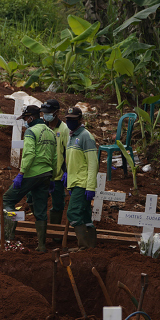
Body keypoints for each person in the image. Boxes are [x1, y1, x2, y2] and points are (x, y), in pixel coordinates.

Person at [2, 104, 58, 252]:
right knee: (41, 211)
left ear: (31, 117)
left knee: (8, 200)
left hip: (32, 173)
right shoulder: (51, 133)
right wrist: (52, 178)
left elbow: (29, 154)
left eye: (25, 118)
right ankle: (41, 246)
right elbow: (55, 157)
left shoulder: (30, 131)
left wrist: (21, 174)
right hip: (46, 174)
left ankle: (9, 237)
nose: (25, 121)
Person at [64, 106, 99, 251]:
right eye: (68, 119)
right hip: (75, 182)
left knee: (73, 213)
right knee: (84, 215)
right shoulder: (71, 136)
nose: (69, 122)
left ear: (80, 119)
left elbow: (93, 163)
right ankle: (91, 247)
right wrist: (67, 175)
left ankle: (84, 247)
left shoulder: (86, 136)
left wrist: (90, 187)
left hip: (82, 183)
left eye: (73, 119)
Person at [40, 99, 70, 229]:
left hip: (57, 174)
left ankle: (55, 231)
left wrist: (67, 171)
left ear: (56, 112)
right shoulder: (41, 127)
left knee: (58, 204)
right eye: (44, 112)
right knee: (37, 201)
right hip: (41, 173)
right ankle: (41, 228)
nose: (45, 115)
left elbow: (68, 152)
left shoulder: (64, 129)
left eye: (49, 112)